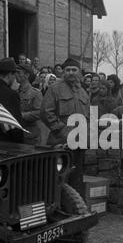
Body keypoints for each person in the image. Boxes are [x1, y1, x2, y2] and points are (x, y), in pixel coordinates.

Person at [40, 58, 90, 197]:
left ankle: (75, 208)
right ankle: (57, 208)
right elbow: (45, 112)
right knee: (59, 178)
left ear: (79, 72)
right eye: (68, 70)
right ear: (63, 72)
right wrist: (61, 129)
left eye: (74, 70)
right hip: (61, 142)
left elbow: (88, 116)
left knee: (76, 177)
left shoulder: (83, 92)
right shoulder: (55, 89)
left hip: (79, 143)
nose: (71, 73)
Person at [16, 64, 48, 146]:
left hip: (30, 134)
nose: (16, 75)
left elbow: (39, 113)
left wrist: (22, 115)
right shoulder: (15, 92)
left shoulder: (35, 93)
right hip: (17, 133)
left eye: (19, 72)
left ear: (26, 75)